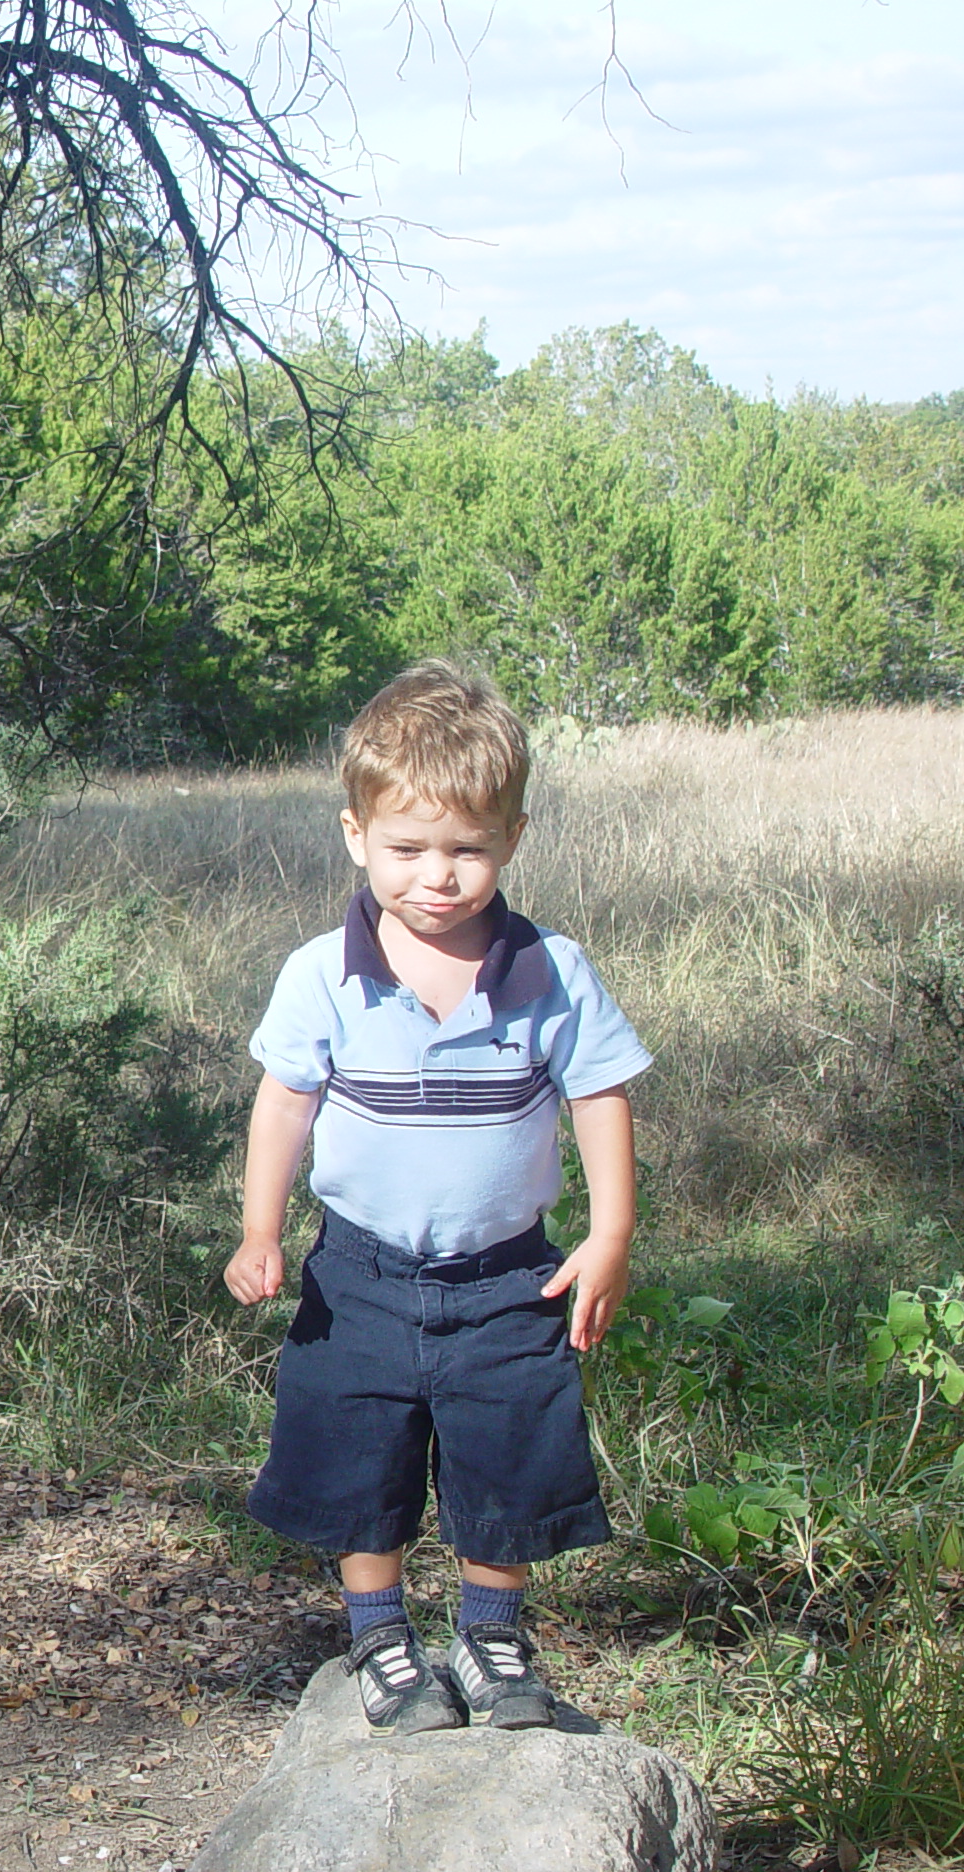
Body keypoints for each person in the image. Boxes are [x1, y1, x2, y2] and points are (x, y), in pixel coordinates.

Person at [223, 662, 651, 1736]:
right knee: (354, 1449)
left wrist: (609, 1234)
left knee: (507, 1447)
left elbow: (597, 1095)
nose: (438, 877)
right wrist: (259, 1229)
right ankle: (378, 1637)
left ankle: (493, 1638)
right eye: (408, 848)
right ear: (356, 836)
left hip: (510, 1272)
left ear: (511, 837)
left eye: (466, 847)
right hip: (357, 1271)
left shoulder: (551, 969)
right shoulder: (323, 972)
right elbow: (283, 1103)